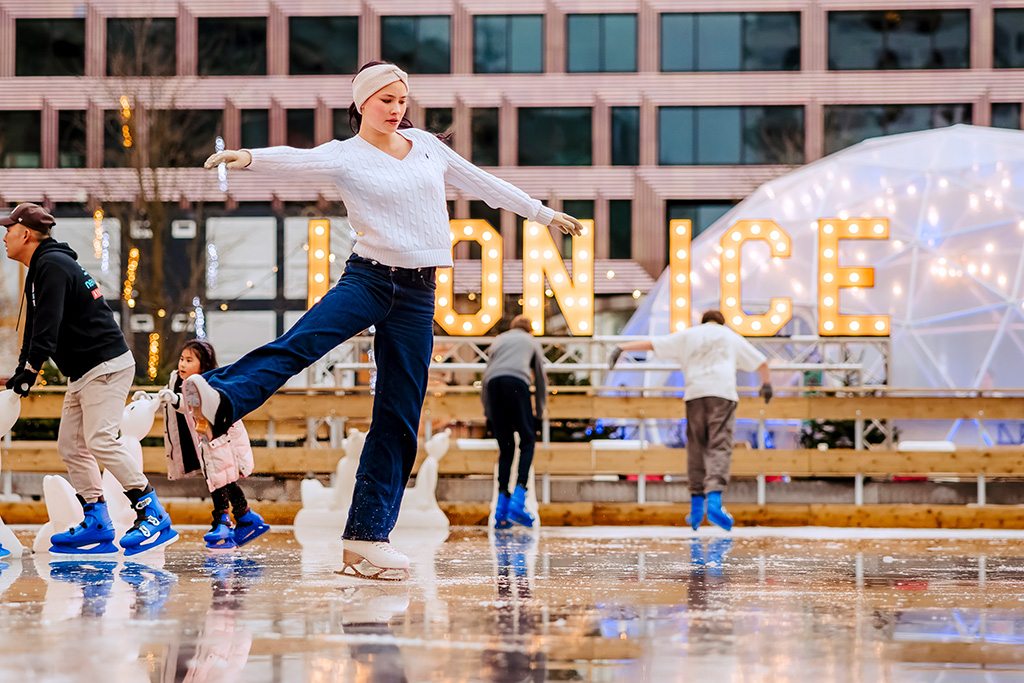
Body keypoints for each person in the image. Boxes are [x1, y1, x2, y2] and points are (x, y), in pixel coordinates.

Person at [187, 61, 584, 580]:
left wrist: (543, 213)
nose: (396, 110)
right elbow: (298, 160)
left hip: (419, 295)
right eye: (385, 101)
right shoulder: (346, 155)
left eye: (401, 101)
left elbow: (481, 182)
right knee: (305, 341)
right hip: (369, 279)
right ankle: (221, 395)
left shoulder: (426, 146)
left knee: (399, 415)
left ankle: (367, 538)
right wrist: (247, 157)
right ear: (362, 104)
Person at [2, 202, 177, 556]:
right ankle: (97, 519)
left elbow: (46, 331)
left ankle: (153, 512)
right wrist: (23, 371)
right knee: (70, 445)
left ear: (26, 234)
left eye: (8, 230)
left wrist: (28, 376)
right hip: (84, 370)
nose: (4, 237)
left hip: (106, 365)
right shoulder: (43, 267)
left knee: (100, 439)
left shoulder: (51, 265)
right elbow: (35, 328)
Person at [609, 309, 773, 531]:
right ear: (722, 323)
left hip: (695, 395)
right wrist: (766, 384)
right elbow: (761, 362)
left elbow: (653, 343)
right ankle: (714, 502)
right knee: (719, 446)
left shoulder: (689, 334)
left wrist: (622, 348)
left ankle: (696, 508)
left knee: (696, 447)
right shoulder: (729, 336)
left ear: (703, 321)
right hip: (722, 395)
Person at [139, 339, 268, 550]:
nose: (182, 364)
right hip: (202, 442)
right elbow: (168, 400)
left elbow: (190, 404)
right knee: (221, 479)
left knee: (220, 478)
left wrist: (175, 399)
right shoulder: (175, 380)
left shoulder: (210, 383)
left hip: (221, 440)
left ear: (204, 366)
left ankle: (223, 521)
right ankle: (244, 517)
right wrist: (149, 400)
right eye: (182, 359)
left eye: (189, 360)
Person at [481, 315, 547, 529]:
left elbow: (485, 379)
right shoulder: (531, 341)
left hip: (493, 387)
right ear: (530, 330)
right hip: (516, 383)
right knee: (527, 440)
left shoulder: (499, 340)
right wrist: (539, 413)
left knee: (506, 447)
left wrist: (488, 414)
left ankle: (501, 508)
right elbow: (541, 378)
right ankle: (519, 499)